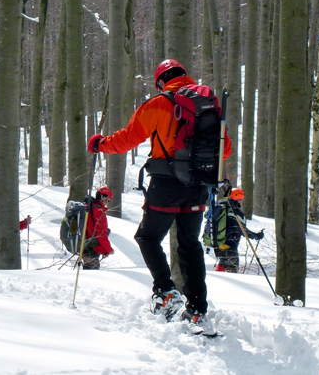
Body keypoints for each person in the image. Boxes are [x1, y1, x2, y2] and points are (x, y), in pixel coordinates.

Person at [87, 59, 231, 329]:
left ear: (162, 81)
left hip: (166, 185)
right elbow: (226, 150)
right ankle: (197, 308)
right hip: (198, 186)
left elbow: (127, 139)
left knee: (148, 237)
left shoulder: (158, 104)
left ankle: (166, 292)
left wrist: (100, 144)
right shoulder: (209, 105)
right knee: (189, 244)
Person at [210, 188, 263, 273]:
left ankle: (216, 279)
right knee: (232, 268)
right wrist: (255, 236)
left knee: (223, 263)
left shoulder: (221, 207)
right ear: (236, 199)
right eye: (240, 200)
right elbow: (241, 229)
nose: (241, 202)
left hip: (218, 242)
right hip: (229, 244)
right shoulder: (236, 212)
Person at [80, 187, 115, 270]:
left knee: (87, 271)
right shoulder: (98, 210)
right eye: (108, 200)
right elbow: (101, 235)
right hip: (92, 248)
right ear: (104, 198)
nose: (108, 203)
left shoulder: (88, 207)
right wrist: (109, 249)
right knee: (91, 273)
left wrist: (104, 250)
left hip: (84, 245)